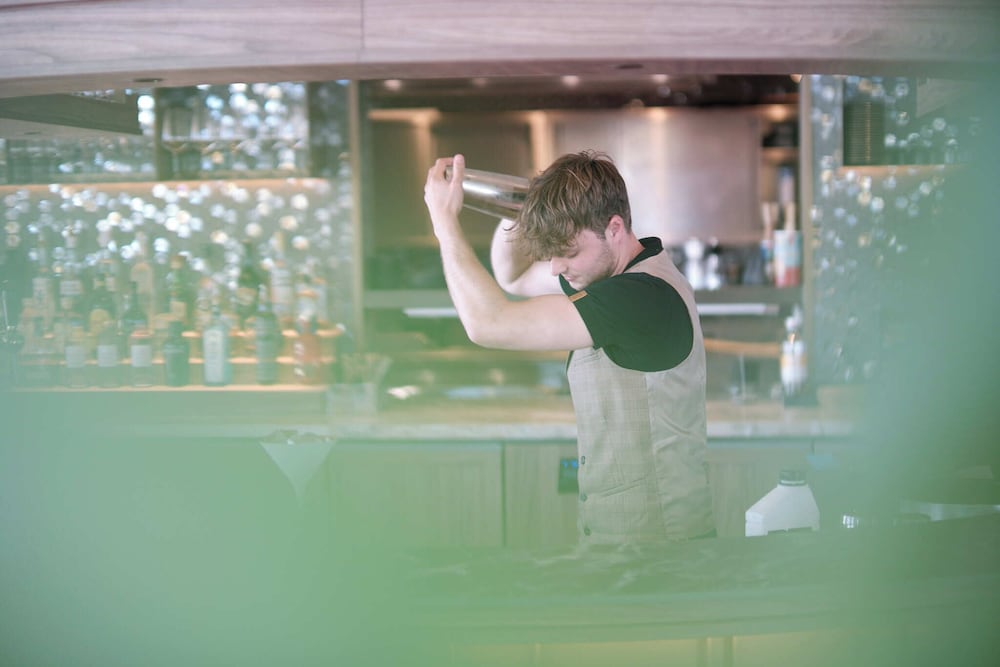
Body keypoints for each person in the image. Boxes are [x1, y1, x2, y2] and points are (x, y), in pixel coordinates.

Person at [424, 151, 715, 544]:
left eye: (569, 252)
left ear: (614, 228)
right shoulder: (606, 273)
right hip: (623, 542)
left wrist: (445, 225)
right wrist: (524, 203)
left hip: (659, 549)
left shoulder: (639, 297)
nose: (555, 267)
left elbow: (488, 322)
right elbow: (512, 277)